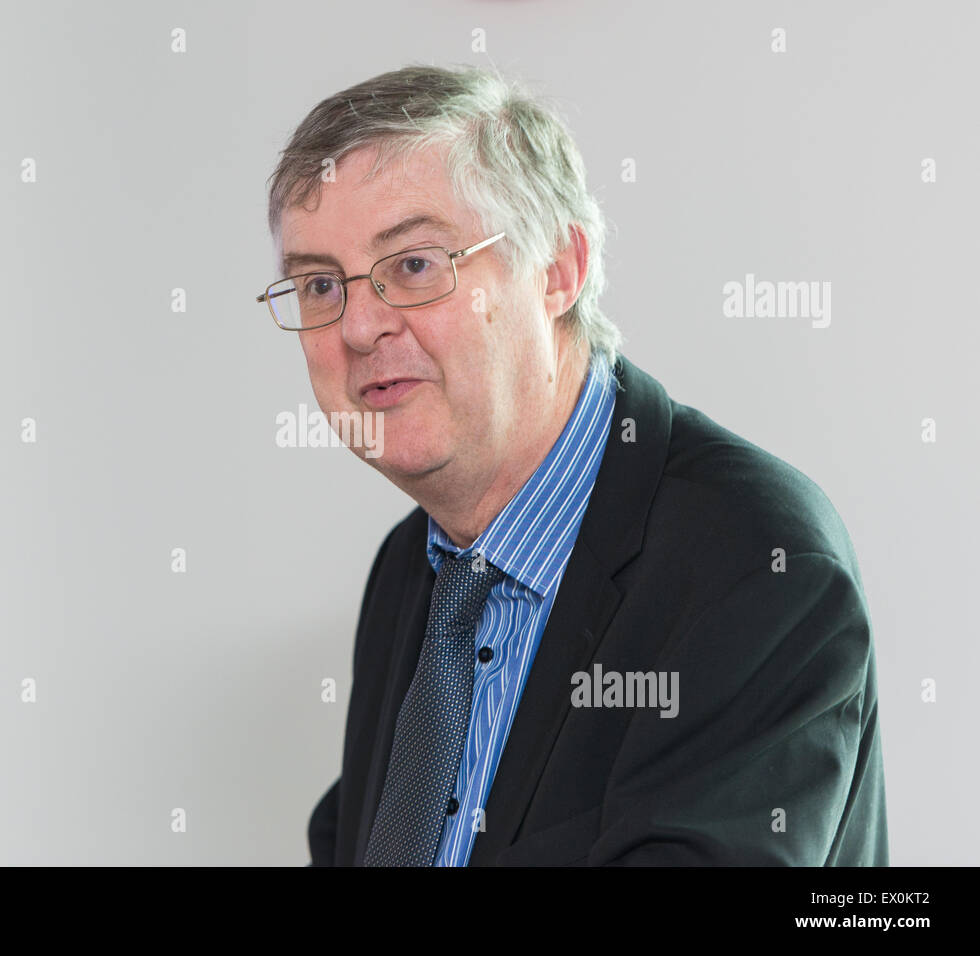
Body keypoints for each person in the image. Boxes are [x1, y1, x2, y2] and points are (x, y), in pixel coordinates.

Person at [256, 64, 888, 866]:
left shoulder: (758, 561)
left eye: (414, 264)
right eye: (318, 284)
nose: (357, 326)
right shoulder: (412, 568)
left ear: (559, 269)